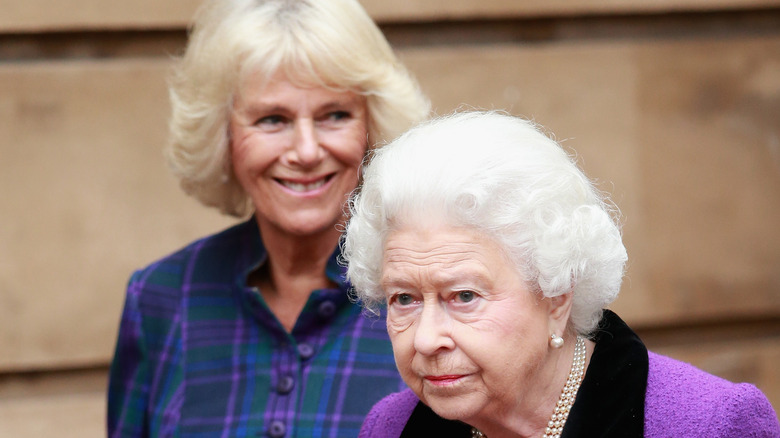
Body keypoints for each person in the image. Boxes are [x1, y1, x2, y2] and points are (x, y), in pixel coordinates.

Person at [342, 111, 780, 437]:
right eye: (404, 299)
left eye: (463, 296)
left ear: (556, 294)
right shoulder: (391, 428)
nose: (424, 339)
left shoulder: (712, 424)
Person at [107, 0, 430, 436]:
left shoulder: (423, 291)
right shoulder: (162, 297)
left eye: (335, 115)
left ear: (372, 126)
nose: (307, 151)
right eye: (272, 119)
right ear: (222, 135)